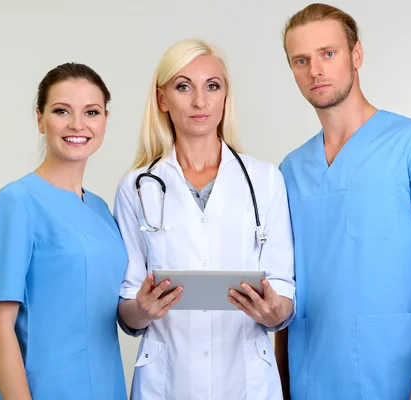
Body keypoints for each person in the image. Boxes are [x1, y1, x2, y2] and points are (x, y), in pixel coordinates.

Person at [274, 4, 411, 400]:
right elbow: (287, 286)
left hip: (402, 380)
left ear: (357, 56)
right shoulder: (289, 171)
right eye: (301, 60)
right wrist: (281, 386)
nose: (315, 70)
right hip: (312, 382)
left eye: (328, 53)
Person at [113, 39, 295, 400]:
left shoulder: (265, 179)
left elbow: (282, 285)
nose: (200, 101)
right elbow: (127, 304)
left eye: (213, 86)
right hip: (168, 379)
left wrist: (275, 312)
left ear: (225, 96)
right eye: (184, 87)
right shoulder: (137, 187)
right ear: (162, 99)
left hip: (246, 377)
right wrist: (143, 310)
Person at [0, 63, 129, 400]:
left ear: (105, 120)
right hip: (47, 390)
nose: (78, 125)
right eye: (61, 111)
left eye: (91, 112)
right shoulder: (17, 202)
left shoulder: (101, 210)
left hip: (108, 387)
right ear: (39, 118)